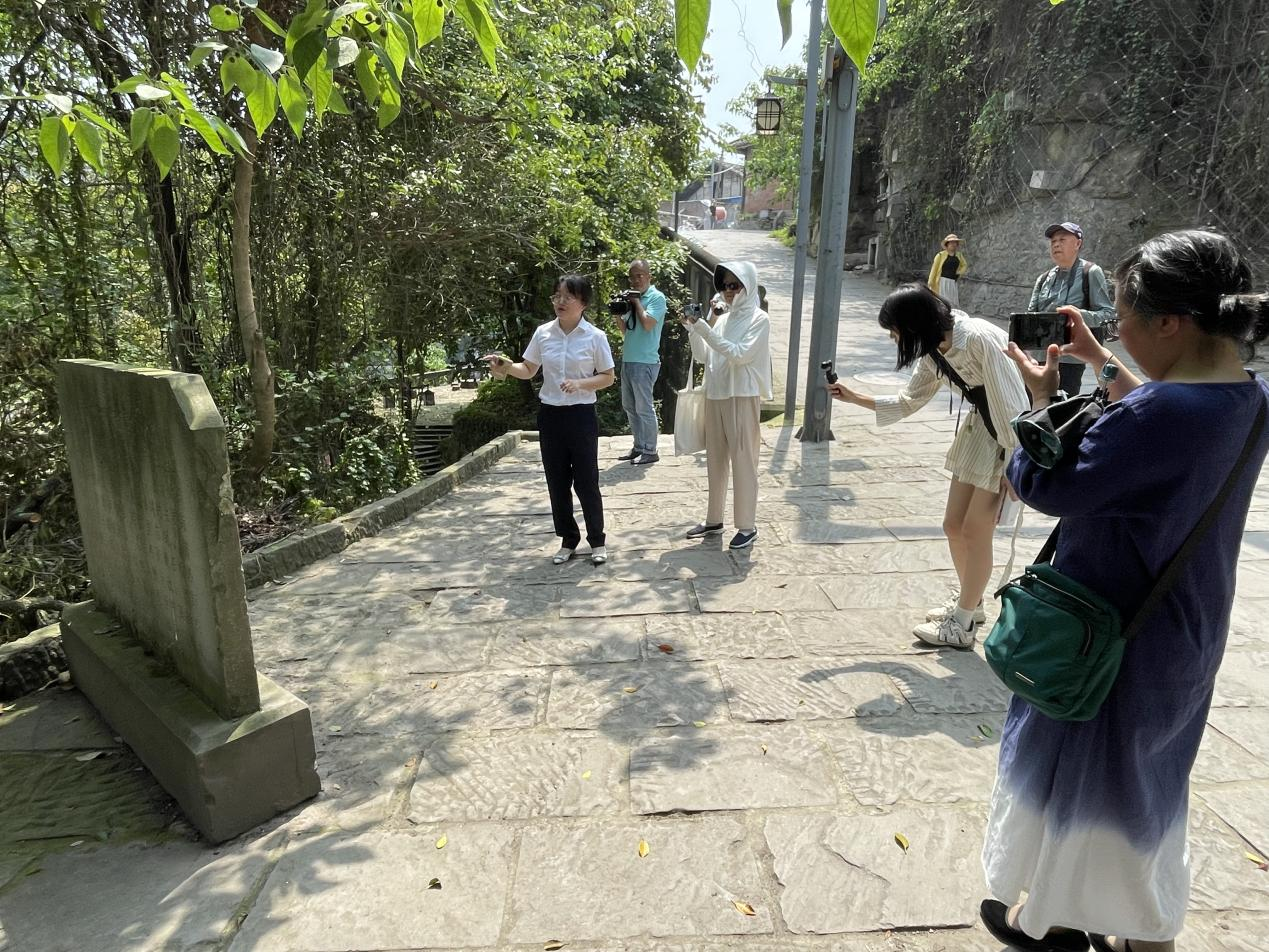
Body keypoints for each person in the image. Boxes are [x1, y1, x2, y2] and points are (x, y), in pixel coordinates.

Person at [981, 230, 1269, 952]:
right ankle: (1080, 917)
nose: (1117, 330)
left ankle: (1135, 934)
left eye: (1121, 318)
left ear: (1169, 322)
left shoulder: (1161, 414)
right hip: (1180, 628)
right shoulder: (1249, 397)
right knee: (1140, 780)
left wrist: (1037, 406)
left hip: (1107, 630)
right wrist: (1101, 362)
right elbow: (1168, 424)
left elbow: (1047, 486)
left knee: (1091, 776)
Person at [828, 283, 1030, 647]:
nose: (893, 338)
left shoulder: (978, 339)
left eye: (894, 330)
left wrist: (1015, 464)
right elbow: (909, 400)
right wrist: (855, 398)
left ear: (914, 324)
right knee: (953, 525)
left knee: (976, 531)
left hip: (1007, 437)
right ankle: (971, 602)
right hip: (980, 431)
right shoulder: (935, 349)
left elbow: (1014, 404)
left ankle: (962, 625)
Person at [484, 274, 615, 566]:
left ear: (583, 302)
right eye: (557, 296)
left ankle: (597, 540)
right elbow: (528, 369)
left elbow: (608, 377)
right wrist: (504, 366)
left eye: (568, 297)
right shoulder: (543, 333)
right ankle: (568, 540)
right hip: (551, 415)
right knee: (557, 481)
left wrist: (580, 384)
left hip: (581, 415)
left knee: (587, 481)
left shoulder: (595, 336)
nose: (560, 302)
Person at [681, 261, 771, 550]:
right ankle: (714, 519)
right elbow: (705, 356)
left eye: (735, 285)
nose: (728, 291)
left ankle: (747, 525)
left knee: (744, 461)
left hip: (741, 397)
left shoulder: (759, 319)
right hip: (716, 395)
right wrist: (694, 329)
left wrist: (705, 329)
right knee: (715, 461)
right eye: (724, 286)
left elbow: (740, 355)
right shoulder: (724, 319)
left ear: (748, 286)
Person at [1029, 222, 1116, 397]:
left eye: (1062, 240)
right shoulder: (1044, 278)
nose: (1056, 244)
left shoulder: (1090, 272)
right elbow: (1030, 316)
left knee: (1063, 409)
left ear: (1077, 243)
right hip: (1039, 358)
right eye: (1053, 241)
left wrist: (1076, 315)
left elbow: (1107, 314)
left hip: (1070, 359)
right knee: (1034, 407)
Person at [617, 260, 667, 465]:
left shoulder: (656, 297)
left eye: (640, 275)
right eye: (632, 277)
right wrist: (618, 312)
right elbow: (626, 330)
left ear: (649, 276)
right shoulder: (632, 298)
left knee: (644, 408)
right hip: (629, 359)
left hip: (645, 361)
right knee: (630, 406)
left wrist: (636, 302)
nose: (636, 280)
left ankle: (650, 450)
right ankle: (638, 446)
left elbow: (647, 324)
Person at [927, 234, 968, 307]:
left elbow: (964, 265)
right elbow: (934, 269)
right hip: (942, 282)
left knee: (952, 303)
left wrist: (959, 272)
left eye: (955, 242)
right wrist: (930, 282)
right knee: (943, 302)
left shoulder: (959, 255)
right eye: (951, 242)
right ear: (947, 244)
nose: (953, 244)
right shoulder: (940, 255)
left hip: (952, 282)